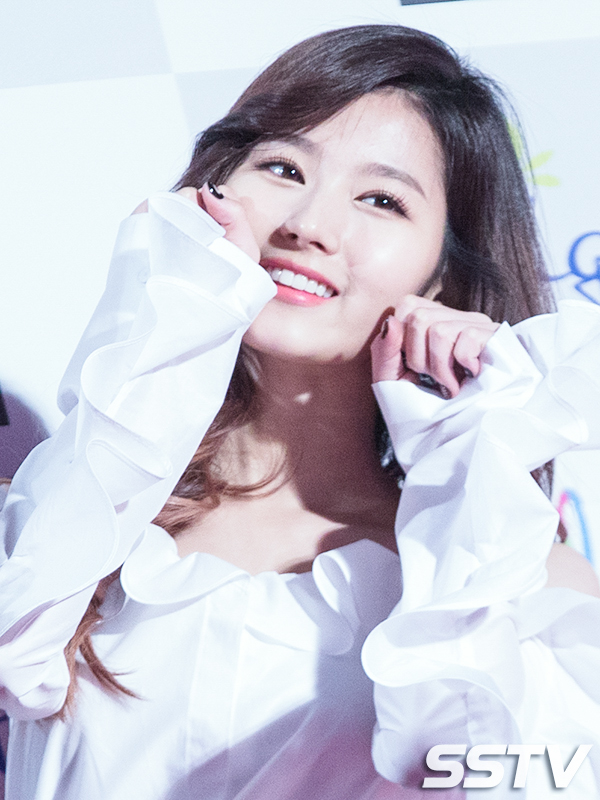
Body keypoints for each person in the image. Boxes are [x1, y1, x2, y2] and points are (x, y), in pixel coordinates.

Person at [1, 23, 600, 800]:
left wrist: (469, 461)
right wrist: (161, 329)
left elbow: (521, 779)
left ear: (441, 277)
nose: (308, 226)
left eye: (382, 200)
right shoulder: (68, 515)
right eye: (283, 168)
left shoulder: (507, 578)